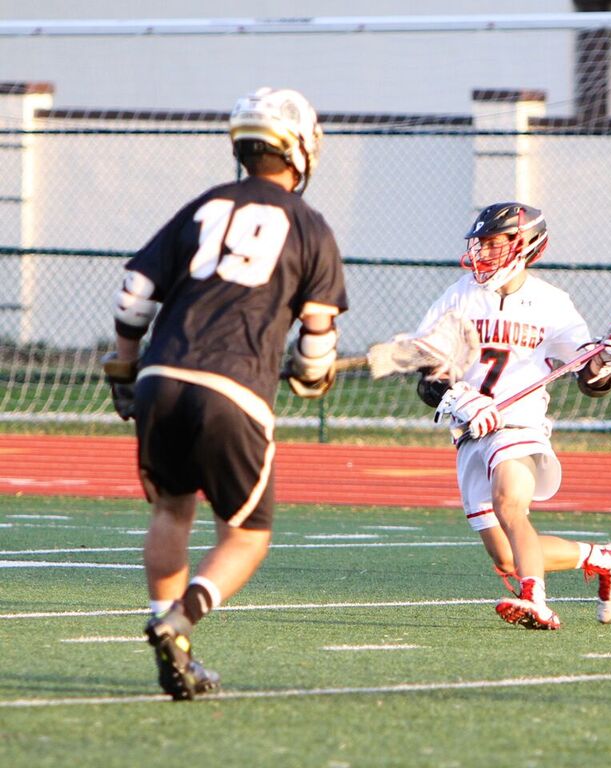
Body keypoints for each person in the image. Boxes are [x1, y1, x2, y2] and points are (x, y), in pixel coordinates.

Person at [102, 87, 348, 698]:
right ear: (301, 148)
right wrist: (313, 373)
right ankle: (179, 621)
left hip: (161, 376)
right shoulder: (310, 226)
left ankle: (176, 649)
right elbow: (317, 342)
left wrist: (125, 369)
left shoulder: (204, 206)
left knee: (171, 510)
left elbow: (134, 297)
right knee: (246, 536)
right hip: (234, 387)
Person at [415, 202, 611, 630]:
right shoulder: (458, 296)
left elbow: (589, 380)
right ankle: (604, 557)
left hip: (519, 425)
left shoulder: (552, 304)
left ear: (525, 246)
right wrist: (461, 398)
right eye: (480, 243)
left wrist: (606, 361)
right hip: (471, 433)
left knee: (509, 505)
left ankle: (535, 599)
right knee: (505, 556)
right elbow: (428, 380)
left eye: (494, 243)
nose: (483, 252)